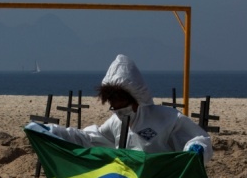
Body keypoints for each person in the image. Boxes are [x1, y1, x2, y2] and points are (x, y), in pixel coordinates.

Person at [30, 54, 212, 163]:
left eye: (119, 103)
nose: (116, 109)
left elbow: (199, 138)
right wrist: (53, 132)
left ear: (134, 98)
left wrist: (196, 149)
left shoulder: (167, 118)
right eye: (112, 105)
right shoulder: (116, 122)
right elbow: (89, 139)